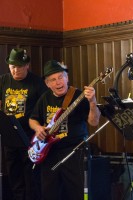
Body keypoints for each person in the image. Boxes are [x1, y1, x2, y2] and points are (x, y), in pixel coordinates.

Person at [29, 60, 101, 200]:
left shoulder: (78, 96)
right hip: (49, 153)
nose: (58, 82)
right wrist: (38, 128)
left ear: (67, 78)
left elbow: (94, 122)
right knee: (50, 193)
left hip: (74, 152)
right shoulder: (45, 98)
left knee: (77, 193)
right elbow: (33, 119)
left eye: (61, 77)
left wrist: (92, 102)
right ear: (47, 84)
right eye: (53, 80)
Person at [0, 48, 47, 200]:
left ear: (27, 65)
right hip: (9, 137)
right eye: (13, 66)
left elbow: (44, 108)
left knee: (31, 176)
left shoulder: (37, 82)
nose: (16, 70)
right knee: (14, 175)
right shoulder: (3, 81)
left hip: (30, 137)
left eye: (19, 66)